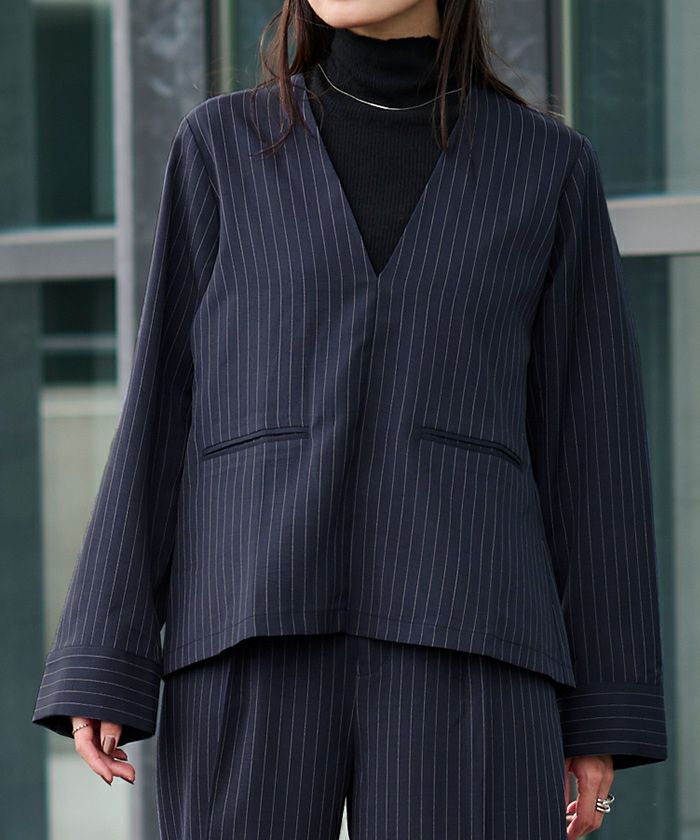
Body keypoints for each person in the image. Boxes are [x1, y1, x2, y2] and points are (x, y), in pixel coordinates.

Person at [31, 1, 668, 838]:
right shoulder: (220, 148)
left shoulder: (546, 167)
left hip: (472, 629)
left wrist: (603, 710)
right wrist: (104, 655)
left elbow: (593, 448)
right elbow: (159, 408)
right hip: (248, 621)